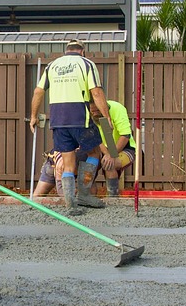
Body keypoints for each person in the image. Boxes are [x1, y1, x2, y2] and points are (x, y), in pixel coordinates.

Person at [28, 39, 113, 215]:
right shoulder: (87, 64)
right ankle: (83, 194)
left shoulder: (52, 66)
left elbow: (38, 92)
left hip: (58, 120)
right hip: (80, 117)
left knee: (68, 163)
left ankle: (70, 203)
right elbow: (96, 92)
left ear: (66, 51)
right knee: (94, 153)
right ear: (83, 51)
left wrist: (33, 116)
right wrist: (107, 117)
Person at [86, 98, 136, 197]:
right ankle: (88, 197)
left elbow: (125, 135)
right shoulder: (86, 113)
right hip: (100, 147)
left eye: (97, 111)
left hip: (123, 147)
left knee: (109, 164)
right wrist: (107, 154)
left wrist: (112, 154)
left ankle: (112, 198)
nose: (95, 114)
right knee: (87, 165)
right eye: (93, 112)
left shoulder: (117, 108)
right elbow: (95, 138)